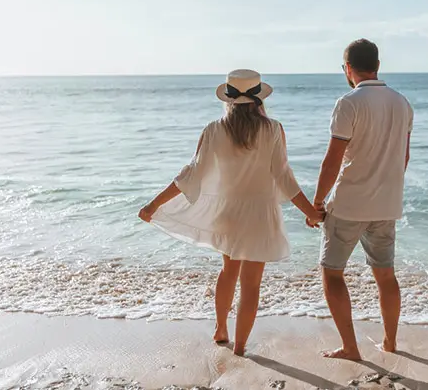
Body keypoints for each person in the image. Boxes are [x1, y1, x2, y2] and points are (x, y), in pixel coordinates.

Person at [138, 69, 324, 356]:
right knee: (251, 285)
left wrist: (154, 204)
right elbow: (284, 177)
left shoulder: (214, 129)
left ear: (228, 99)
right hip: (261, 216)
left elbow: (191, 174)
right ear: (258, 99)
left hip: (228, 214)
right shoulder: (273, 129)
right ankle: (239, 347)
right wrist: (310, 211)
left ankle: (221, 328)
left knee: (228, 271)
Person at [313, 39, 413, 360]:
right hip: (387, 205)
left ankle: (351, 348)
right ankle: (390, 342)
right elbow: (404, 159)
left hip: (350, 204)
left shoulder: (349, 103)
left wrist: (317, 202)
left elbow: (332, 161)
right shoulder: (402, 103)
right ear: (378, 66)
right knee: (385, 275)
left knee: (332, 272)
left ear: (348, 69)